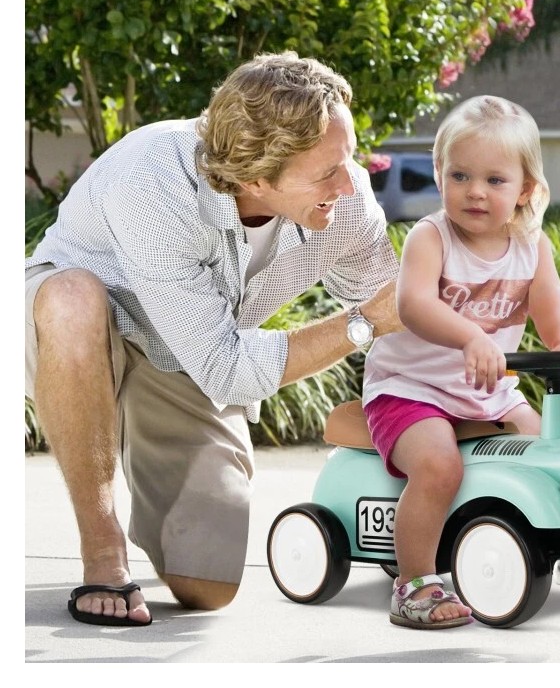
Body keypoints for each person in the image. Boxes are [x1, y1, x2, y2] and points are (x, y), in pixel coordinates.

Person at [25, 52, 401, 626]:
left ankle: (141, 453)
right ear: (254, 177)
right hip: (73, 333)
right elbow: (230, 369)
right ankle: (102, 550)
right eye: (326, 171)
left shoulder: (343, 197)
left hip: (182, 359)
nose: (350, 182)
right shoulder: (153, 182)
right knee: (74, 299)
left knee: (208, 585)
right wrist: (362, 323)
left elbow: (397, 304)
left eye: (346, 158)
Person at [362, 95, 560, 630]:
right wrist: (470, 338)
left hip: (490, 390)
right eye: (460, 175)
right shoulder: (430, 236)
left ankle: (551, 546)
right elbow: (413, 305)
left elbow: (556, 323)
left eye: (495, 180)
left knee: (554, 454)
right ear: (439, 174)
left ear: (526, 188)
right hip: (410, 388)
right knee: (440, 467)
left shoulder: (533, 247)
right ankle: (414, 585)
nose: (475, 191)